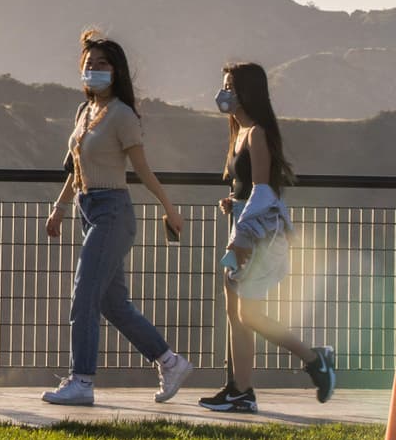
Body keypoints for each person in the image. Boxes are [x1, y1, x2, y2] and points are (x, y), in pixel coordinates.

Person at [43, 30, 193, 406]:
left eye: (102, 64)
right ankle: (170, 361)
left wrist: (168, 207)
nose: (93, 69)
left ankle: (82, 380)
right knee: (113, 304)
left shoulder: (123, 115)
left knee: (84, 296)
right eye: (88, 64)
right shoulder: (85, 112)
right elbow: (75, 169)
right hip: (87, 209)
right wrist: (59, 208)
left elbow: (142, 169)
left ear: (116, 71)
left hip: (113, 212)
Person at [198, 62, 336, 413]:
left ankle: (314, 359)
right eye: (224, 85)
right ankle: (239, 389)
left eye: (230, 86)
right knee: (235, 311)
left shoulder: (258, 133)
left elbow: (263, 189)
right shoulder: (238, 131)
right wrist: (233, 201)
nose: (224, 93)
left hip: (257, 234)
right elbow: (246, 187)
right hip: (243, 224)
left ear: (248, 92)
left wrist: (241, 233)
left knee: (250, 314)